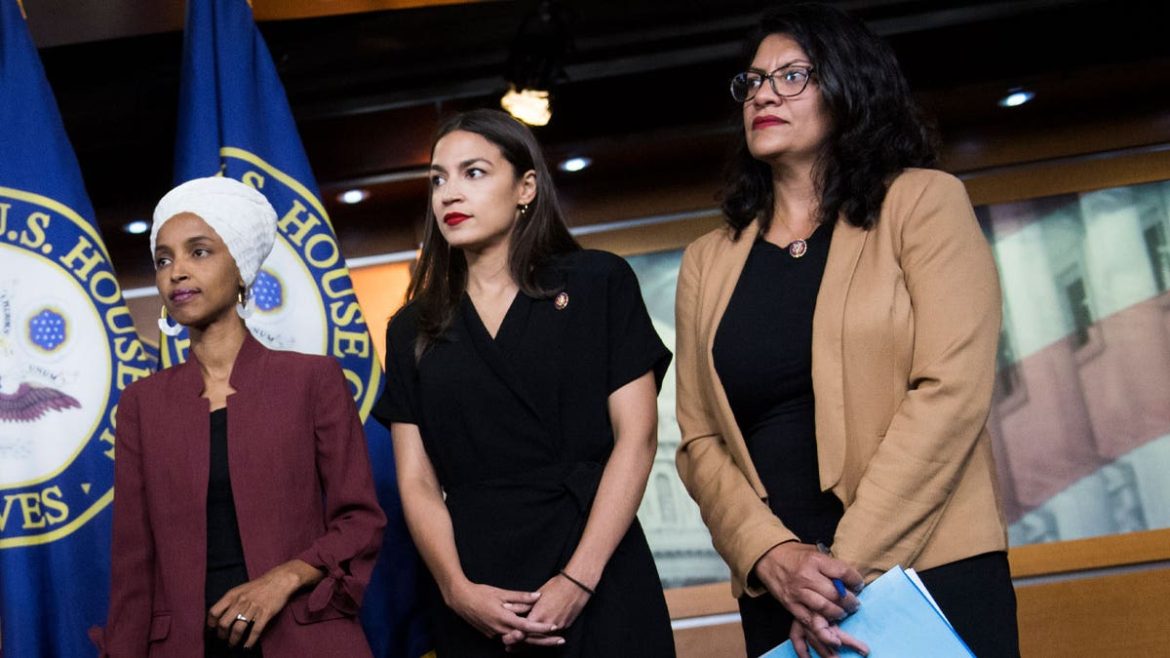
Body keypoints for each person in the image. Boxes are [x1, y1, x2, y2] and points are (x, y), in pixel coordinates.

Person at [673, 4, 1020, 658]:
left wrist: (838, 573)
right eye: (752, 82)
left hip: (925, 568)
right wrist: (772, 555)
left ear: (848, 88)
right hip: (782, 593)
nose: (763, 94)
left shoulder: (924, 202)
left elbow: (951, 392)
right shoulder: (707, 262)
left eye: (792, 76)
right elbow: (699, 441)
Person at [375, 109, 675, 657]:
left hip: (599, 564)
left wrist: (579, 579)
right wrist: (455, 589)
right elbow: (416, 481)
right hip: (476, 586)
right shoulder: (411, 328)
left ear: (526, 188)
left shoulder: (599, 282)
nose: (449, 194)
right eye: (438, 179)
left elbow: (638, 439)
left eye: (474, 173)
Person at [94, 177, 387, 657]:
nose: (177, 272)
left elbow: (360, 520)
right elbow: (132, 564)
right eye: (164, 259)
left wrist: (282, 579)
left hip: (303, 640)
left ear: (242, 269)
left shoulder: (312, 379)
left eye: (199, 252)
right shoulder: (142, 404)